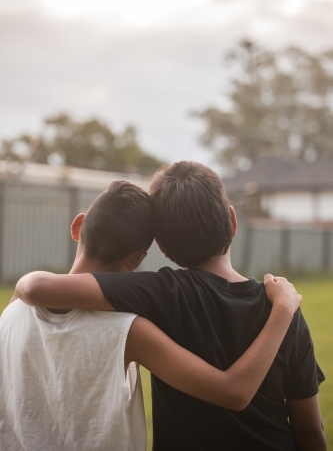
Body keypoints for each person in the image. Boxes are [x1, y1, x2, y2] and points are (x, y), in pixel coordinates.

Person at [13, 163, 326, 450]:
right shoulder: (282, 308)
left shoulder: (160, 293)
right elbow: (310, 430)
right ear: (232, 221)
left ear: (160, 245)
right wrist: (284, 310)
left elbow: (39, 288)